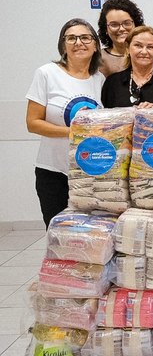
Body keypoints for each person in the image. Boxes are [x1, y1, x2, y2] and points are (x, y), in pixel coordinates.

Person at [25, 19, 105, 227]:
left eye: (85, 37)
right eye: (71, 38)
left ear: (95, 45)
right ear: (63, 45)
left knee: (87, 237)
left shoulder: (99, 79)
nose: (79, 42)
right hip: (53, 172)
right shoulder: (47, 73)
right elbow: (33, 123)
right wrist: (73, 132)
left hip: (89, 172)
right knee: (58, 234)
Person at [101, 26, 153, 108]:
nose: (144, 52)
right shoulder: (112, 82)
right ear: (127, 49)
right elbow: (104, 118)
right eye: (138, 46)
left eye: (150, 47)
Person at [97, 0, 153, 77]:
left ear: (136, 24)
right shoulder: (97, 60)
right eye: (114, 25)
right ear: (105, 28)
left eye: (127, 23)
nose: (121, 29)